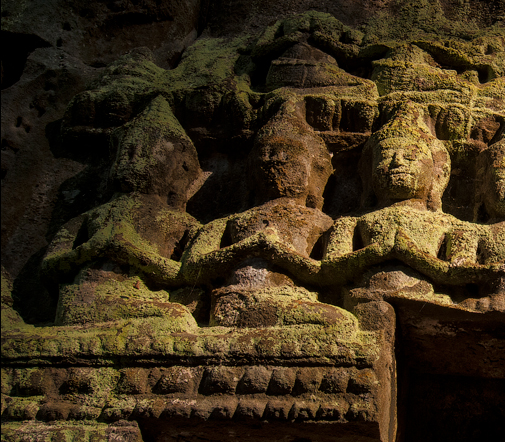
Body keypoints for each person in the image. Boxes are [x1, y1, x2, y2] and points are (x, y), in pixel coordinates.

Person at [180, 103, 354, 330]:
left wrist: (278, 252)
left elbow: (326, 273)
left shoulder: (322, 223)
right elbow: (191, 268)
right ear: (251, 170)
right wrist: (245, 248)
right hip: (235, 301)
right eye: (266, 153)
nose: (276, 160)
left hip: (295, 301)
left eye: (289, 155)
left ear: (312, 170)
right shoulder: (230, 221)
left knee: (342, 323)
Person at [42, 97, 201, 330]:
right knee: (178, 319)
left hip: (142, 296)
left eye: (146, 154)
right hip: (86, 297)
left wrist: (129, 253)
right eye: (127, 153)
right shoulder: (96, 215)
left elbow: (184, 273)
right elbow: (48, 266)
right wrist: (89, 251)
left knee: (188, 307)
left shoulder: (181, 222)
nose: (131, 161)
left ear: (179, 167)